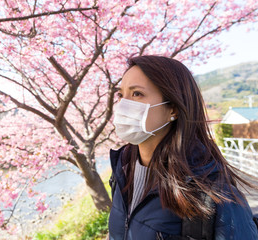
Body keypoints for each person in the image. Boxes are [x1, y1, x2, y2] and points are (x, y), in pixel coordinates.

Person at [108, 55, 258, 240]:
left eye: (137, 94)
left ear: (173, 108)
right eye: (121, 95)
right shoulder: (121, 170)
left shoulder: (214, 193)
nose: (123, 105)